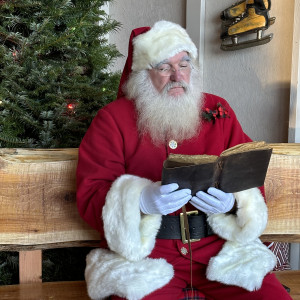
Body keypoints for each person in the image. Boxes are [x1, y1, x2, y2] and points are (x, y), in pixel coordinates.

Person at [76, 20, 291, 300]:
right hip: (146, 259)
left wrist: (234, 203)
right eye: (164, 67)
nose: (178, 75)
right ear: (143, 74)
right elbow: (91, 194)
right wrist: (140, 201)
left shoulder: (218, 109)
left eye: (184, 64)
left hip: (220, 250)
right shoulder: (112, 119)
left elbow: (247, 170)